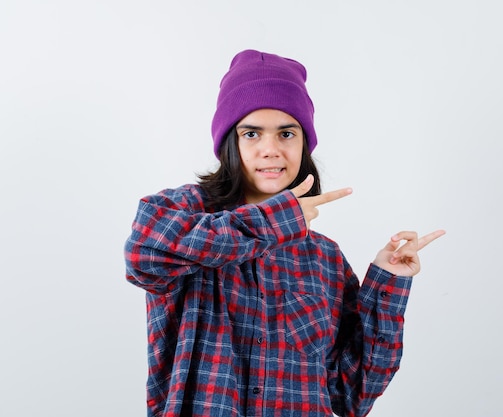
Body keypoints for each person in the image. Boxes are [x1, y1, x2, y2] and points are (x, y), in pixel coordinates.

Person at [124, 49, 445, 417]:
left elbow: (352, 395)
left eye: (287, 133)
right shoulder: (183, 211)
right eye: (251, 133)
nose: (270, 150)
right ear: (231, 142)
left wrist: (387, 285)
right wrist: (276, 220)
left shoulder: (325, 258)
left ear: (303, 145)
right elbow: (143, 255)